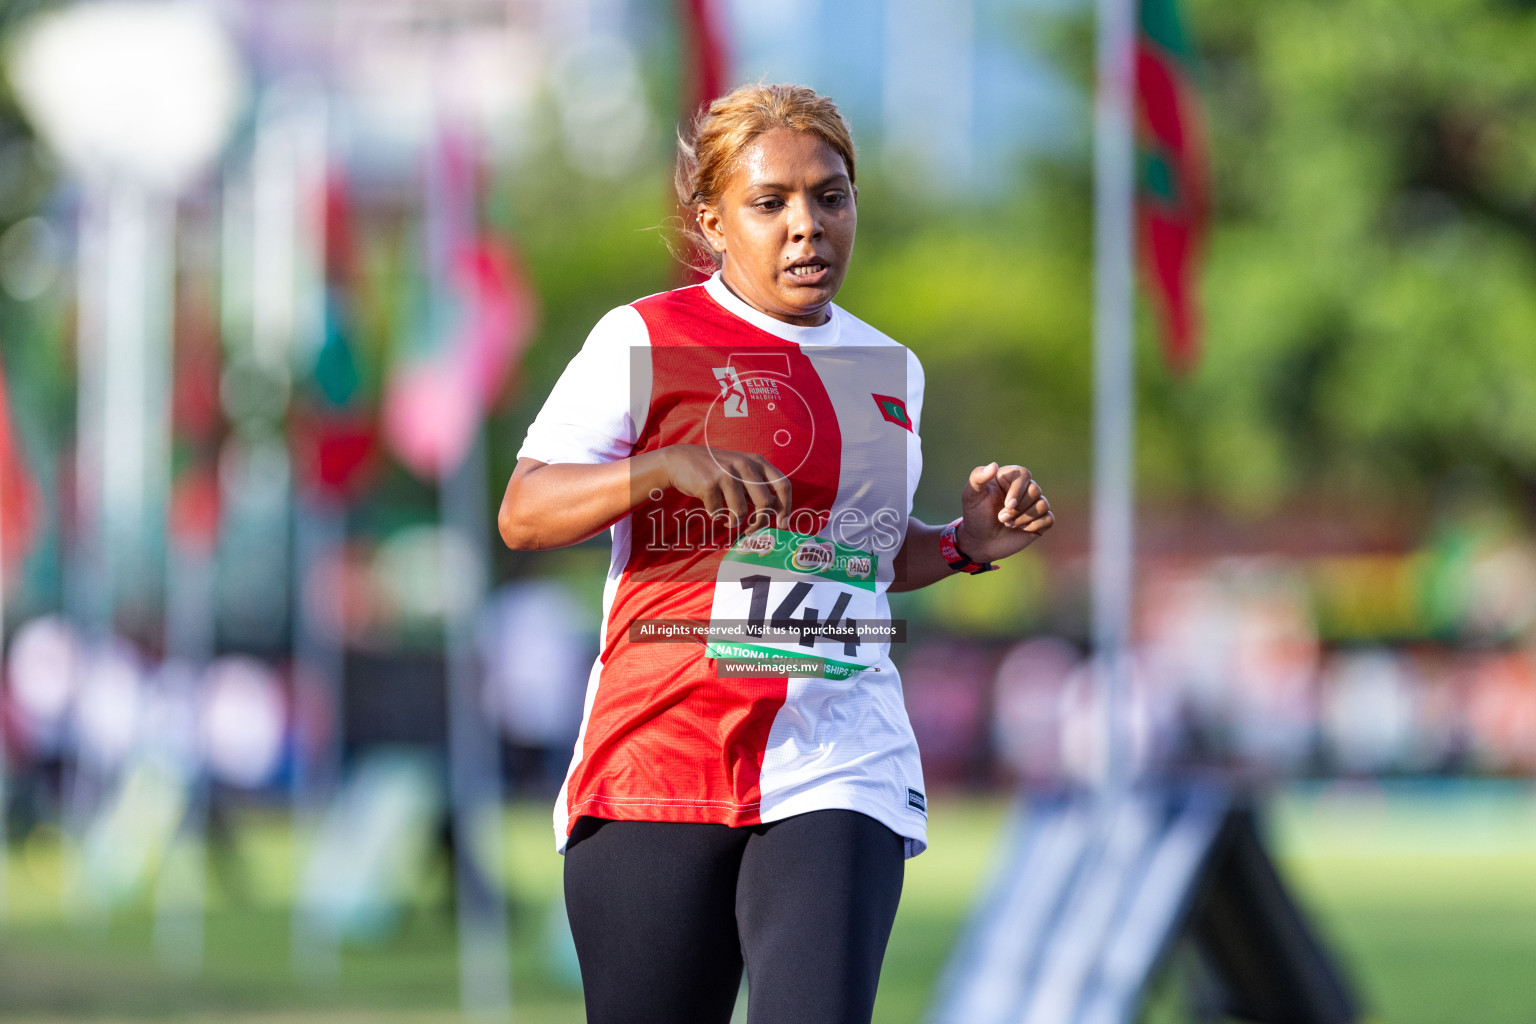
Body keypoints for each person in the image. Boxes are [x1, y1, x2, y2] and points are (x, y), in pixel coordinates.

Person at [498, 83, 1053, 1024]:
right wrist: (660, 468)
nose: (807, 227)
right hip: (655, 759)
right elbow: (525, 512)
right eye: (772, 204)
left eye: (830, 198)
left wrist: (963, 544)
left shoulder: (891, 368)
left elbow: (862, 562)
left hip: (840, 758)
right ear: (712, 221)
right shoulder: (641, 338)